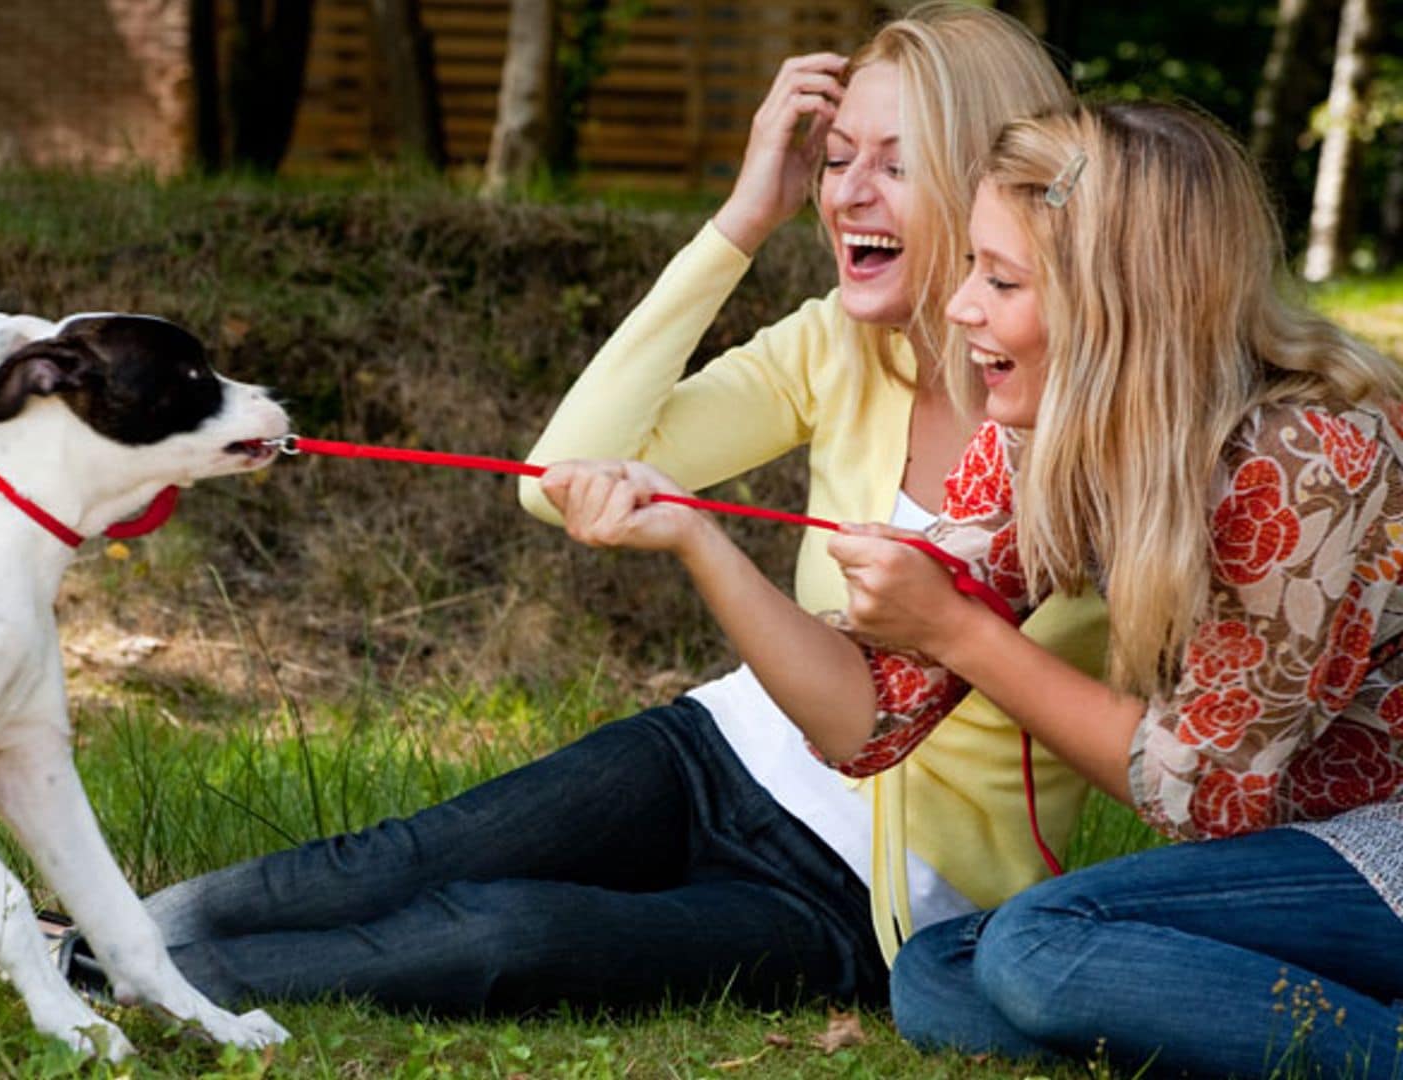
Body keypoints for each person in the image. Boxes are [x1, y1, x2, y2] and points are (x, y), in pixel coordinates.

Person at [0, 1, 1102, 1015]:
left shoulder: (1083, 433)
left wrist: (692, 534)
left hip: (856, 900)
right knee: (372, 863)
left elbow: (871, 720)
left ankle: (1, 961)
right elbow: (570, 472)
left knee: (500, 937)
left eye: (891, 164)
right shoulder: (831, 343)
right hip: (712, 749)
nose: (844, 192)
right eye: (833, 155)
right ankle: (6, 943)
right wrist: (738, 219)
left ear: (994, 184)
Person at [544, 101, 1403, 1076]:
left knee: (1035, 947)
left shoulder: (1304, 458)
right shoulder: (1037, 432)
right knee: (939, 973)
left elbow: (1205, 796)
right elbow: (872, 720)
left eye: (1000, 279)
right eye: (970, 268)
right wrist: (698, 539)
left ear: (1118, 303)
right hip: (1284, 863)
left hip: (1383, 853)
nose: (960, 308)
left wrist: (959, 631)